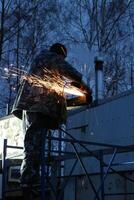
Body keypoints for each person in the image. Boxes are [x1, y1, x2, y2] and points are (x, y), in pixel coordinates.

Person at [12, 43, 92, 199]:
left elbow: (59, 83)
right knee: (34, 147)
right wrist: (85, 88)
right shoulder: (52, 57)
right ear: (60, 54)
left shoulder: (42, 62)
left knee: (33, 146)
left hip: (31, 107)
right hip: (38, 109)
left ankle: (30, 183)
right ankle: (30, 185)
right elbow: (71, 72)